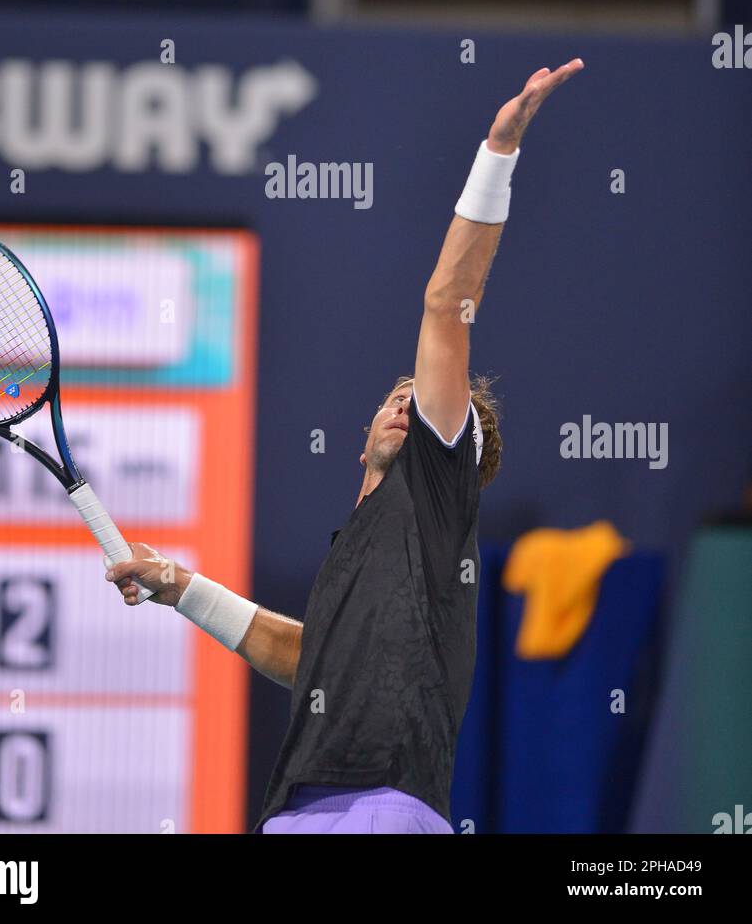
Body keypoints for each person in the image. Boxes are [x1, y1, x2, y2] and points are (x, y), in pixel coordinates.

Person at [108, 59, 584, 834]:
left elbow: (445, 305)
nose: (407, 404)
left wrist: (497, 150)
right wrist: (180, 586)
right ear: (362, 432)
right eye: (396, 396)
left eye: (422, 402)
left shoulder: (431, 493)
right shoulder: (357, 552)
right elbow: (307, 659)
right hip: (295, 811)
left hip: (386, 809)